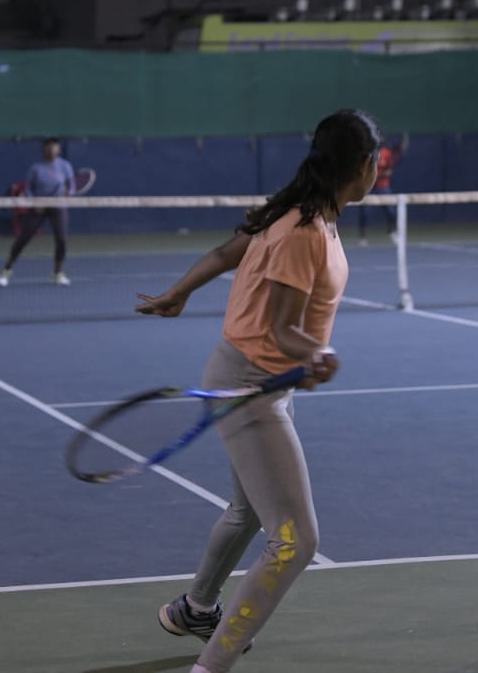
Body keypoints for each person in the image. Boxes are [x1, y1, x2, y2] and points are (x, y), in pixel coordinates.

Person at [134, 110, 382, 673]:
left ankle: (196, 609)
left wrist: (179, 291)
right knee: (296, 541)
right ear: (365, 165)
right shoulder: (304, 230)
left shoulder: (299, 211)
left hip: (259, 379)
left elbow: (228, 254)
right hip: (249, 385)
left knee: (248, 509)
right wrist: (316, 354)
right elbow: (282, 327)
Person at [0, 137, 76, 287]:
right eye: (48, 147)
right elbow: (28, 189)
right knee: (23, 238)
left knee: (62, 240)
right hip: (38, 208)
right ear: (43, 149)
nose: (51, 150)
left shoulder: (65, 166)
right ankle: (6, 270)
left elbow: (72, 187)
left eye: (54, 147)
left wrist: (68, 193)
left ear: (58, 149)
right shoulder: (36, 168)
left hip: (58, 207)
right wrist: (34, 203)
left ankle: (58, 273)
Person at [357, 136, 405, 246]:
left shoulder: (387, 153)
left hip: (383, 186)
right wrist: (372, 177)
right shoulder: (367, 155)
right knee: (365, 212)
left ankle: (391, 231)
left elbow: (389, 171)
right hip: (369, 186)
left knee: (391, 211)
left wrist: (381, 175)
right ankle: (362, 237)